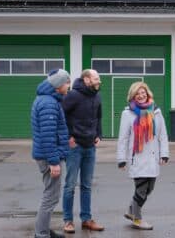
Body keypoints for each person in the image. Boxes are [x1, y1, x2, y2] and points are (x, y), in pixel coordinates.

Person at [117, 82, 169, 230]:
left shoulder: (156, 112)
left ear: (148, 94)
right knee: (141, 189)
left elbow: (162, 135)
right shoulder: (127, 113)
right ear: (133, 96)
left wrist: (164, 154)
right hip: (137, 157)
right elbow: (123, 138)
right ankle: (137, 219)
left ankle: (130, 210)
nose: (141, 96)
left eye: (143, 93)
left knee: (149, 189)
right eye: (137, 94)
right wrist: (121, 158)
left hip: (153, 158)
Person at [61, 69, 104, 233]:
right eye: (96, 78)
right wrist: (68, 136)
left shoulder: (97, 96)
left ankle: (86, 219)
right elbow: (61, 116)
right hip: (75, 146)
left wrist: (99, 134)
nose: (98, 81)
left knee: (86, 185)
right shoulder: (72, 95)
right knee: (70, 185)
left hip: (90, 146)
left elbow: (99, 117)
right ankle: (68, 220)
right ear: (86, 79)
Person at [31, 69, 70, 238]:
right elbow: (47, 136)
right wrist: (54, 162)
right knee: (50, 196)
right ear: (58, 85)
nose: (69, 85)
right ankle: (41, 234)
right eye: (67, 82)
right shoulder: (49, 103)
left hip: (47, 154)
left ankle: (44, 230)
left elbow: (52, 131)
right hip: (49, 158)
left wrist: (66, 140)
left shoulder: (47, 99)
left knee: (51, 195)